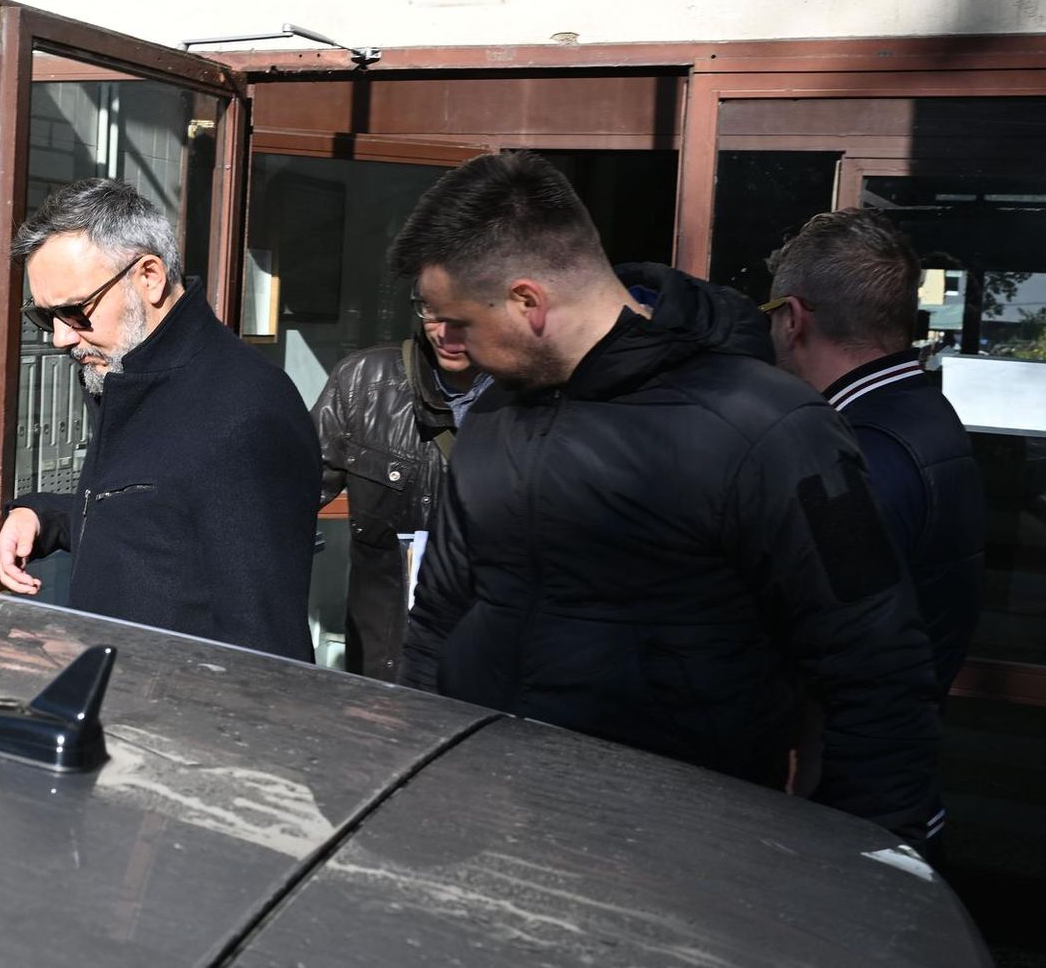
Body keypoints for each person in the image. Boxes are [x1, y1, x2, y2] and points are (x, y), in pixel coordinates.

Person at [390, 151, 941, 842]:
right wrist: (413, 775)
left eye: (459, 321)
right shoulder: (493, 416)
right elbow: (437, 619)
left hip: (678, 851)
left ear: (528, 302)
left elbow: (876, 672)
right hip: (485, 820)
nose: (447, 340)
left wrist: (861, 865)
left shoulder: (770, 427)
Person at [0, 179, 319, 661]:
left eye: (75, 312)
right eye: (44, 317)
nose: (61, 337)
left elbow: (262, 645)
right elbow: (158, 517)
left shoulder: (245, 408)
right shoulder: (127, 372)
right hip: (114, 691)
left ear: (149, 276)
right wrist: (43, 516)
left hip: (176, 707)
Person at [765, 209, 986, 843]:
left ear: (793, 318)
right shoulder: (921, 414)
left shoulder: (856, 453)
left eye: (769, 312)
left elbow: (835, 652)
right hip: (892, 787)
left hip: (845, 811)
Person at [312, 305, 491, 680]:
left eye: (462, 312)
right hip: (383, 665)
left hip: (488, 664)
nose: (443, 331)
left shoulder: (538, 398)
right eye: (432, 310)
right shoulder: (364, 381)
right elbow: (287, 496)